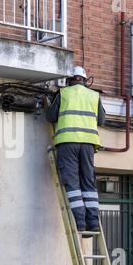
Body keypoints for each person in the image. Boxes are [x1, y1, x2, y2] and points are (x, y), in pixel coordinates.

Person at [46, 66, 106, 232]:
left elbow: (50, 117)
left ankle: (80, 222)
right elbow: (101, 120)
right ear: (85, 81)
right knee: (88, 181)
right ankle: (93, 223)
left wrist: (52, 100)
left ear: (69, 80)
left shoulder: (64, 93)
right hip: (88, 145)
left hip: (67, 143)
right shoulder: (94, 96)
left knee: (72, 182)